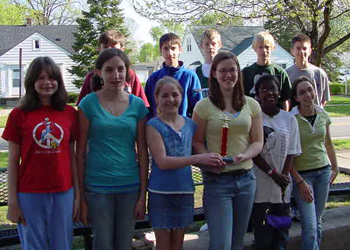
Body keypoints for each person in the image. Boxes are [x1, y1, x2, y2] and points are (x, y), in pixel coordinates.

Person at [2, 57, 79, 249]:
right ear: (31, 82)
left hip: (63, 192)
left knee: (62, 245)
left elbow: (72, 157)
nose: (47, 83)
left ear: (59, 82)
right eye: (40, 78)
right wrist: (13, 202)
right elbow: (12, 161)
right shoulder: (18, 115)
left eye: (52, 78)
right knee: (34, 246)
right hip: (29, 194)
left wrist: (77, 196)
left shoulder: (69, 113)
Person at [77, 48, 149, 250]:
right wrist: (81, 197)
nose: (116, 75)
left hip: (129, 187)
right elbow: (80, 152)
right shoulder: (88, 104)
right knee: (103, 244)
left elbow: (142, 152)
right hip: (98, 187)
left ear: (127, 72)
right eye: (109, 70)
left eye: (120, 69)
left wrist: (142, 195)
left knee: (124, 244)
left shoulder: (137, 106)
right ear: (99, 72)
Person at [193, 52, 263, 250]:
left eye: (232, 70)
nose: (228, 75)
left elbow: (258, 142)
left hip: (246, 179)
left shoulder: (252, 105)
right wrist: (208, 159)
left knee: (237, 242)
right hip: (217, 181)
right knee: (221, 244)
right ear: (214, 74)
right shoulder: (203, 106)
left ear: (238, 72)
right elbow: (197, 141)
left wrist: (245, 155)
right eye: (222, 71)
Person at [146, 76, 224, 250]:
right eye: (165, 96)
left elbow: (196, 155)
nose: (171, 100)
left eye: (175, 95)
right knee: (164, 245)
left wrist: (211, 163)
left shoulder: (190, 124)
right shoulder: (153, 126)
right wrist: (198, 159)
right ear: (156, 98)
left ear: (181, 96)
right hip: (161, 193)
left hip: (185, 191)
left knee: (178, 245)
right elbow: (163, 161)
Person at [251, 75, 301, 249]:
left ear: (279, 92)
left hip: (282, 191)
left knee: (280, 236)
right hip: (261, 188)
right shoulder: (254, 119)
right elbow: (254, 153)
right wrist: (273, 174)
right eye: (264, 90)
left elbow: (292, 151)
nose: (269, 93)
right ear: (257, 95)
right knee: (263, 237)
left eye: (273, 88)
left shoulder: (289, 119)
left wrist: (284, 177)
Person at [290, 76, 338, 250]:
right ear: (296, 98)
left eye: (310, 90)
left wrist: (335, 167)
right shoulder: (291, 119)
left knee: (317, 222)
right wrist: (299, 181)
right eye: (302, 92)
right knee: (310, 226)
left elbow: (328, 143)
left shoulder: (322, 114)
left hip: (323, 173)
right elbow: (289, 156)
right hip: (303, 176)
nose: (307, 95)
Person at [76, 30, 149, 107]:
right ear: (99, 49)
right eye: (105, 47)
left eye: (113, 47)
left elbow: (142, 107)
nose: (109, 50)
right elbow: (82, 108)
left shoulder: (130, 75)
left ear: (122, 49)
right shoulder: (91, 76)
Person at [145, 33, 202, 119]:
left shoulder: (190, 76)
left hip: (184, 128)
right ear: (161, 51)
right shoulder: (153, 78)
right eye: (166, 49)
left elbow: (197, 108)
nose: (170, 53)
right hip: (158, 129)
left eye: (173, 48)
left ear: (180, 50)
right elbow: (148, 109)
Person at [242, 31, 292, 111]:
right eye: (260, 47)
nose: (264, 50)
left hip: (275, 117)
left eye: (267, 47)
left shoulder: (280, 72)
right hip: (253, 115)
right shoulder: (246, 72)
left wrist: (284, 117)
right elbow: (242, 99)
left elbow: (285, 99)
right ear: (254, 48)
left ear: (273, 48)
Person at [286, 34, 330, 108]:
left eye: (304, 48)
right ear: (292, 51)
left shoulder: (320, 73)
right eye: (298, 48)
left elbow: (323, 101)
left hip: (316, 116)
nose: (302, 52)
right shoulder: (286, 74)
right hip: (294, 117)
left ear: (310, 51)